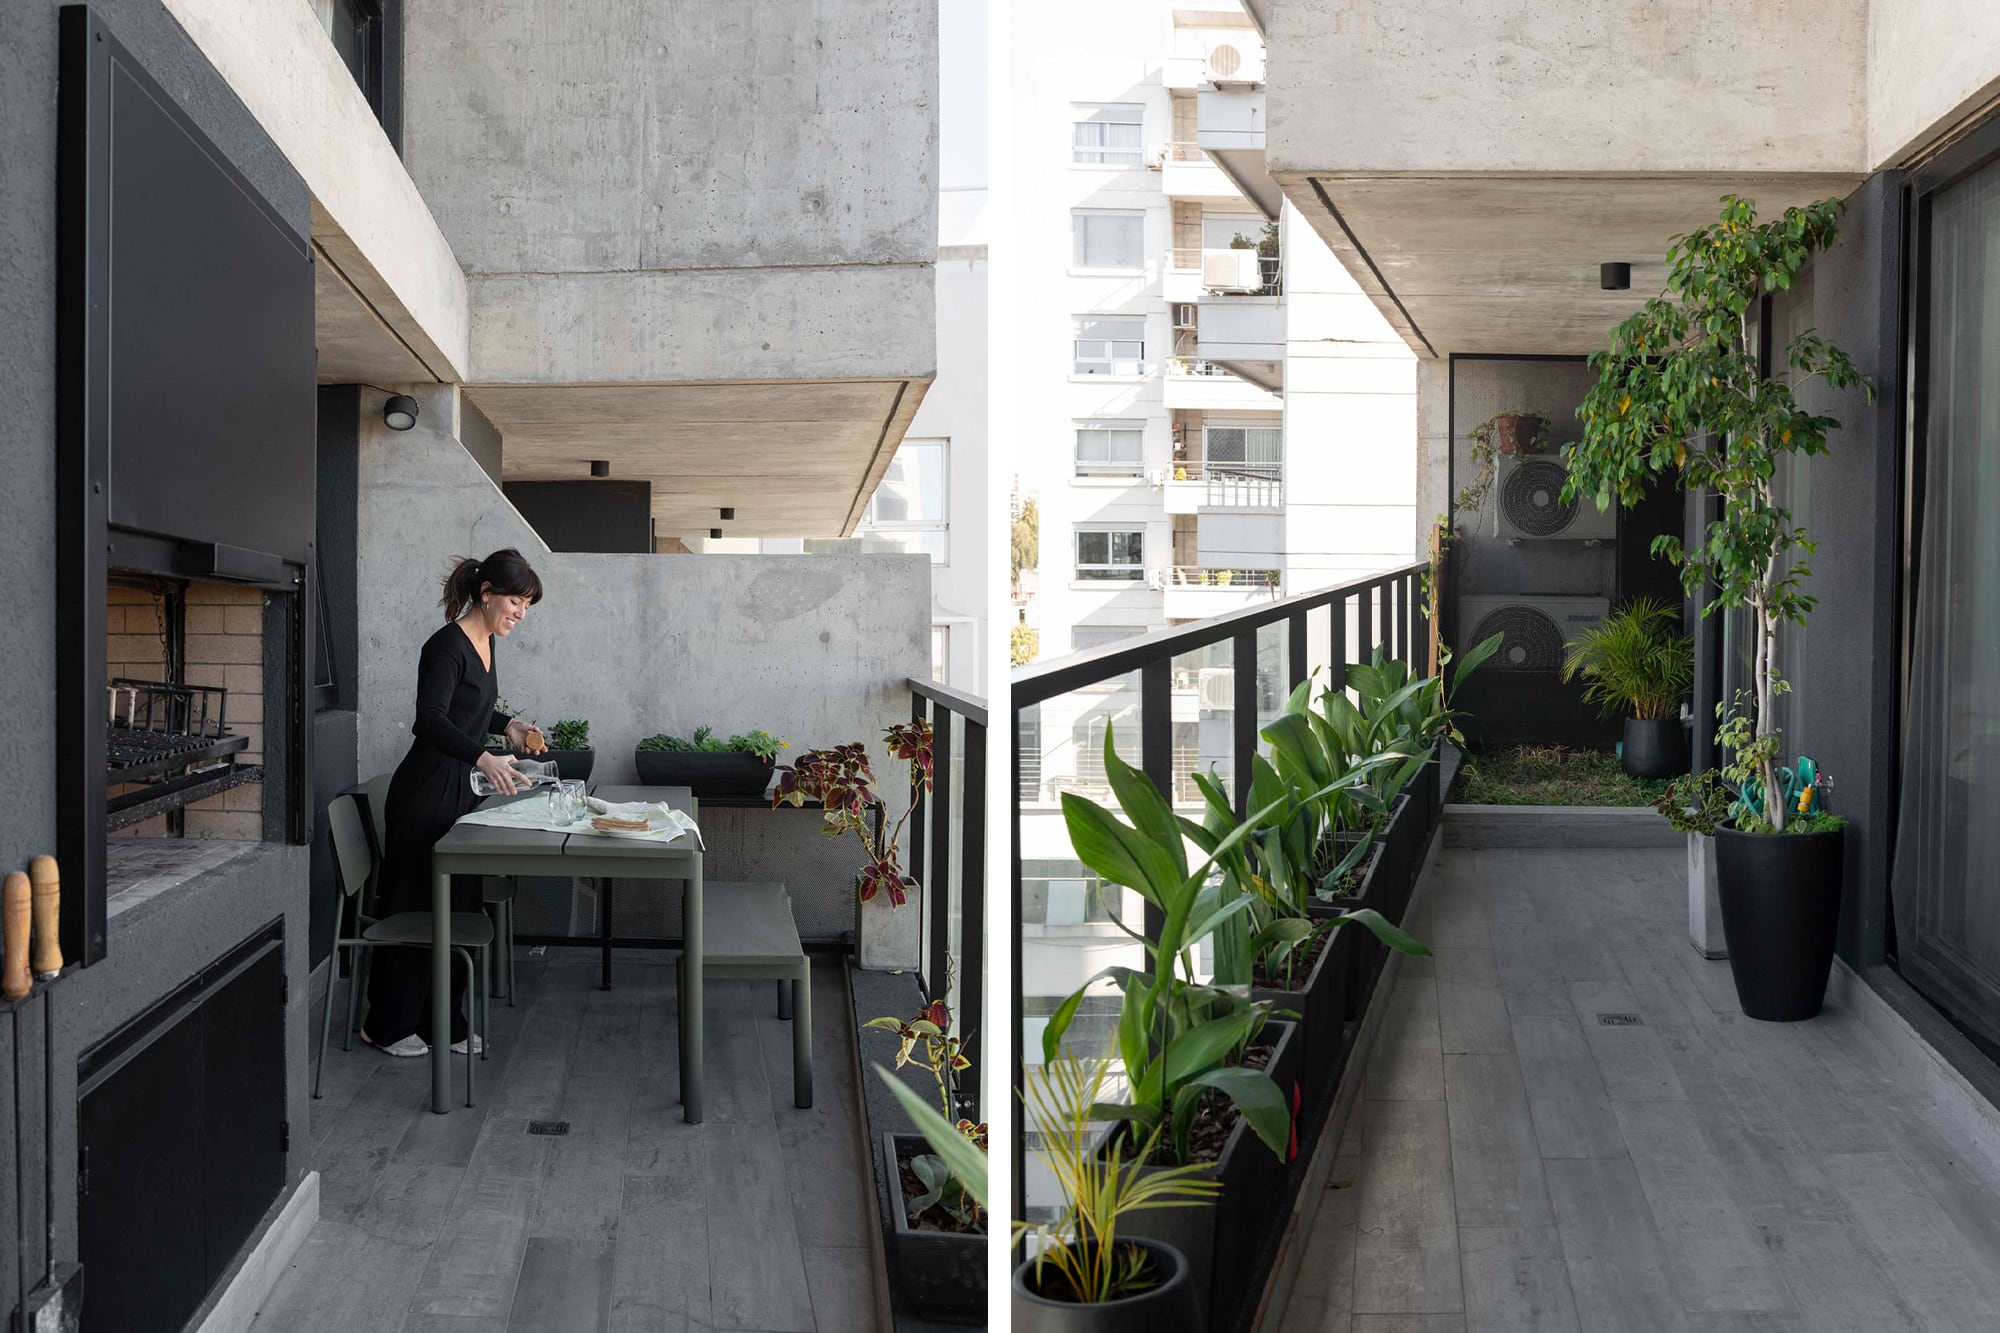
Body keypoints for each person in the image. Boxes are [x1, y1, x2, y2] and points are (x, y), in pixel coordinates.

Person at [362, 548, 545, 1057]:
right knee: (417, 908)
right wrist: (484, 758)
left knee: (458, 903)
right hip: (424, 795)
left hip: (457, 792)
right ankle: (387, 1026)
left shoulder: (486, 642)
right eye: (515, 600)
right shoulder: (446, 646)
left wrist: (507, 725)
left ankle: (447, 1023)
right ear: (486, 594)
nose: (521, 613)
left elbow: (469, 708)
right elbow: (430, 719)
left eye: (527, 604)